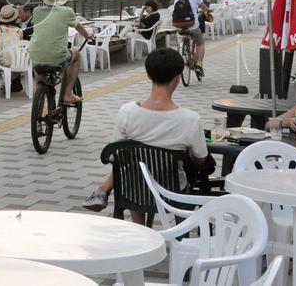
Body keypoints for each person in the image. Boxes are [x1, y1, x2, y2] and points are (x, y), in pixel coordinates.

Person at [82, 47, 210, 221]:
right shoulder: (190, 119)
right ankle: (178, 238)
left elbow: (115, 157)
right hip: (172, 194)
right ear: (178, 77)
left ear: (148, 75)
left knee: (132, 167)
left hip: (134, 192)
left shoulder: (127, 112)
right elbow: (200, 158)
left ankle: (138, 227)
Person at [29, 0, 94, 104]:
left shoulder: (36, 11)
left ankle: (37, 119)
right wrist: (87, 35)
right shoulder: (67, 11)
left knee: (39, 80)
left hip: (35, 55)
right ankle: (68, 94)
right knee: (77, 55)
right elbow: (78, 26)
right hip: (57, 55)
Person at [0, 4, 25, 92]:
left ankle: (5, 84)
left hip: (2, 59)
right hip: (15, 59)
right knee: (20, 68)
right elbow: (19, 44)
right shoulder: (19, 31)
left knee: (9, 66)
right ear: (14, 18)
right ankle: (5, 83)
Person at [172, 0, 207, 75]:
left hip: (179, 25)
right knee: (200, 43)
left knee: (185, 35)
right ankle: (199, 65)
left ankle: (187, 56)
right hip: (192, 25)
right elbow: (203, 6)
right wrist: (208, 10)